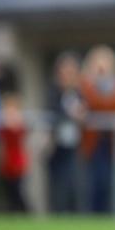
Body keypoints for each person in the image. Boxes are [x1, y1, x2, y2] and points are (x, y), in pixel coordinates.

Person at [79, 45, 115, 214]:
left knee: (108, 182)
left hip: (111, 143)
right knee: (93, 183)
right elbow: (92, 102)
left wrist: (98, 102)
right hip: (91, 143)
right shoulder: (85, 85)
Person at [46, 52, 86, 213]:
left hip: (76, 148)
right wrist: (70, 114)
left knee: (76, 185)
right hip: (57, 148)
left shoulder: (79, 93)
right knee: (58, 186)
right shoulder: (53, 92)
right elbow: (52, 113)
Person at [0, 94, 30, 212]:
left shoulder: (20, 124)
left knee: (18, 190)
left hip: (17, 161)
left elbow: (21, 134)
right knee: (9, 191)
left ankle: (25, 212)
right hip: (6, 161)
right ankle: (13, 213)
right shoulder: (3, 125)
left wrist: (14, 124)